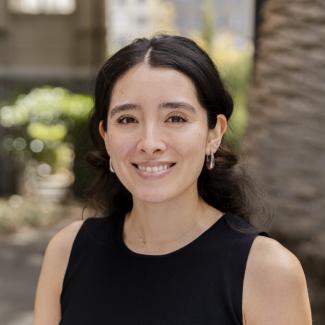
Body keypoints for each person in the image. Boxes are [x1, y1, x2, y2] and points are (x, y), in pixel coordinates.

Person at [33, 35, 312, 325]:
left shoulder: (268, 271)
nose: (150, 143)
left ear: (214, 133)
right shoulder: (67, 252)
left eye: (175, 118)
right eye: (128, 119)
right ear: (106, 136)